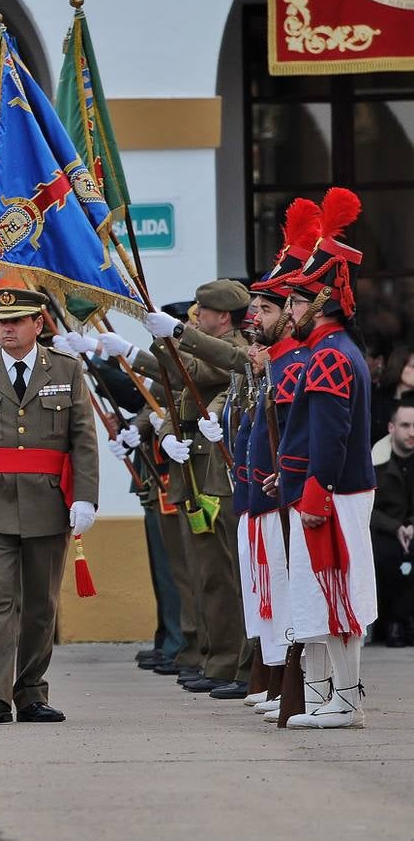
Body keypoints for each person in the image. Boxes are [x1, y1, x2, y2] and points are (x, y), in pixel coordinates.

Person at [0, 287, 99, 724]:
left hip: (48, 502)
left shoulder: (66, 369)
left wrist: (85, 497)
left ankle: (31, 692)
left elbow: (83, 440)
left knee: (39, 605)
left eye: (16, 321)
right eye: (0, 322)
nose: (6, 329)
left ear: (38, 324)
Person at [100, 279, 255, 698]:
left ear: (222, 316)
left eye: (202, 311)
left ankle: (239, 666)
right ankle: (216, 659)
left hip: (219, 474)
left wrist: (157, 344)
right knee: (205, 574)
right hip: (194, 471)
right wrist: (166, 430)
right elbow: (181, 390)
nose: (195, 317)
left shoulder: (237, 348)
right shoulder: (206, 345)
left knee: (227, 576)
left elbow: (201, 372)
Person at [270, 191, 378, 729]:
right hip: (327, 489)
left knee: (338, 595)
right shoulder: (331, 352)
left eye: (293, 302)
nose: (287, 311)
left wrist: (315, 492)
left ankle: (347, 700)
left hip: (331, 492)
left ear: (319, 304)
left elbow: (331, 437)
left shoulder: (331, 356)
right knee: (324, 597)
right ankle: (332, 696)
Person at [372, 401, 414, 647]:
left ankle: (402, 619)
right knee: (385, 556)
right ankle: (394, 622)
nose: (411, 432)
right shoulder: (375, 462)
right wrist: (396, 527)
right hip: (385, 531)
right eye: (405, 425)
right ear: (391, 427)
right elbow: (366, 508)